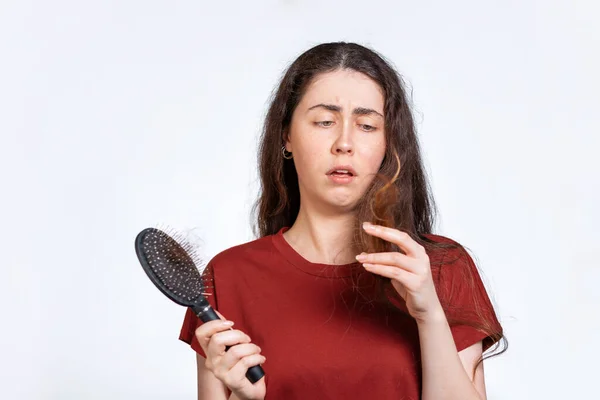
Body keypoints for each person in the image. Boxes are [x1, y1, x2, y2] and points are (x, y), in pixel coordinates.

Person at [179, 42, 506, 400]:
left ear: (388, 144)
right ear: (286, 135)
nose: (344, 143)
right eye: (324, 121)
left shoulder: (440, 268)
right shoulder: (229, 276)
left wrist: (429, 314)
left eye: (367, 125)